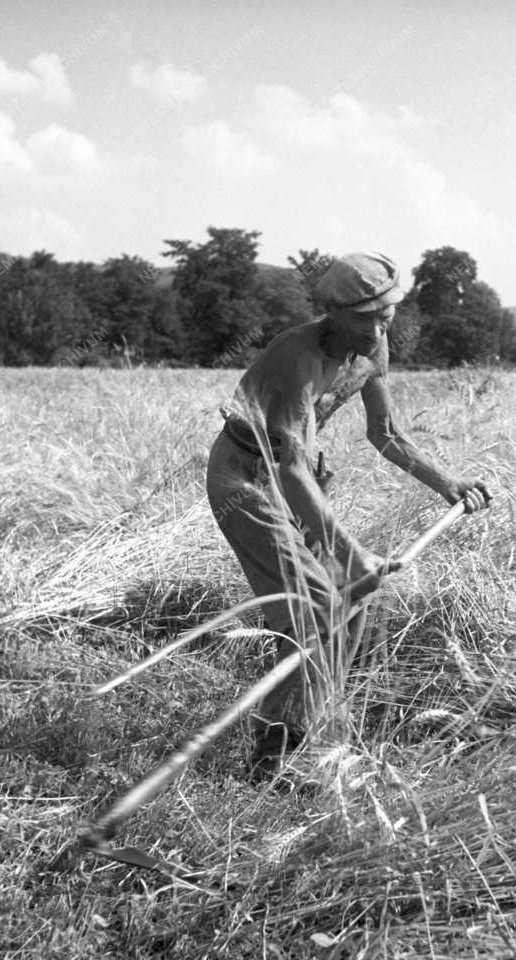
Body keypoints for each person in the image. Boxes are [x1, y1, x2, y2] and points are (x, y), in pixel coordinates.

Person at [206, 251, 491, 779]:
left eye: (387, 315)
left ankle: (303, 729)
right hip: (246, 480)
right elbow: (286, 467)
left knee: (351, 600)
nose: (378, 328)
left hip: (299, 476)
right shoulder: (295, 357)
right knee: (317, 606)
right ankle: (272, 757)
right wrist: (350, 552)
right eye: (365, 317)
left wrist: (448, 484)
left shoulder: (373, 348)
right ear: (331, 312)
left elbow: (385, 433)